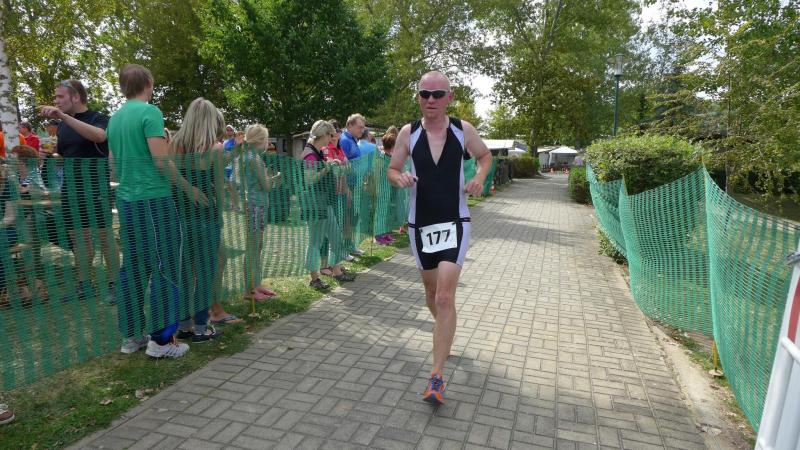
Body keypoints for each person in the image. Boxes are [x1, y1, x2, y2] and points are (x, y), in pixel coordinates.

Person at [387, 71, 492, 405]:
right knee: (432, 295)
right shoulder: (409, 133)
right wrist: (399, 178)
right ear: (418, 97)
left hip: (455, 221)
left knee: (445, 297)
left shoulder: (463, 130)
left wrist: (480, 176)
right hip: (420, 225)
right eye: (424, 94)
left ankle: (436, 376)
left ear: (449, 97)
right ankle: (445, 332)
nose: (430, 100)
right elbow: (392, 169)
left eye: (437, 94)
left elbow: (485, 156)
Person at [107, 63, 206, 358]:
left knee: (133, 267)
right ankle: (161, 342)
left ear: (123, 87)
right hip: (154, 201)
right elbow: (161, 161)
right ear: (148, 84)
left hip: (127, 201)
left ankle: (131, 336)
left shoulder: (115, 119)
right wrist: (188, 188)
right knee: (166, 267)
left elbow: (113, 165)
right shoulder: (150, 113)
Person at [39, 79, 119, 302]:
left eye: (60, 96)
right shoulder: (64, 125)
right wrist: (50, 154)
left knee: (105, 237)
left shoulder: (98, 118)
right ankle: (84, 286)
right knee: (79, 240)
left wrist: (63, 117)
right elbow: (67, 156)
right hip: (71, 188)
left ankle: (115, 284)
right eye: (55, 97)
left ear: (76, 97)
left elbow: (100, 136)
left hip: (96, 186)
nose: (56, 101)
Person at [171, 98, 227, 343]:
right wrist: (221, 216)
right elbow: (220, 188)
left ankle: (184, 325)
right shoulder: (215, 149)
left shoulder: (174, 145)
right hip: (205, 216)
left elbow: (170, 178)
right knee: (204, 272)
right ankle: (202, 327)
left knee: (183, 272)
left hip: (179, 216)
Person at [301, 120, 354, 290]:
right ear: (322, 135)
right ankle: (314, 278)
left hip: (324, 202)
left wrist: (329, 164)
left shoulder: (317, 151)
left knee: (336, 237)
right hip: (314, 204)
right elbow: (309, 180)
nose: (331, 138)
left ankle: (336, 271)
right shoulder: (309, 154)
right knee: (315, 241)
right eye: (329, 135)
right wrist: (326, 168)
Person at [240, 124, 280, 300]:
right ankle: (249, 290)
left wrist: (268, 178)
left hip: (258, 204)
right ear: (260, 140)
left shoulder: (252, 157)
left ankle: (255, 284)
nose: (268, 143)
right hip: (255, 205)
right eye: (266, 139)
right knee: (253, 246)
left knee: (257, 246)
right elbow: (266, 186)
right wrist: (275, 178)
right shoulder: (253, 158)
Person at [222, 125, 241, 211]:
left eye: (230, 130)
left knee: (233, 187)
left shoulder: (236, 141)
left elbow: (237, 151)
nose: (229, 131)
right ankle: (232, 205)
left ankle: (237, 206)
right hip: (226, 167)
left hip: (234, 166)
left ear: (233, 131)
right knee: (229, 188)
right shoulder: (224, 142)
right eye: (227, 130)